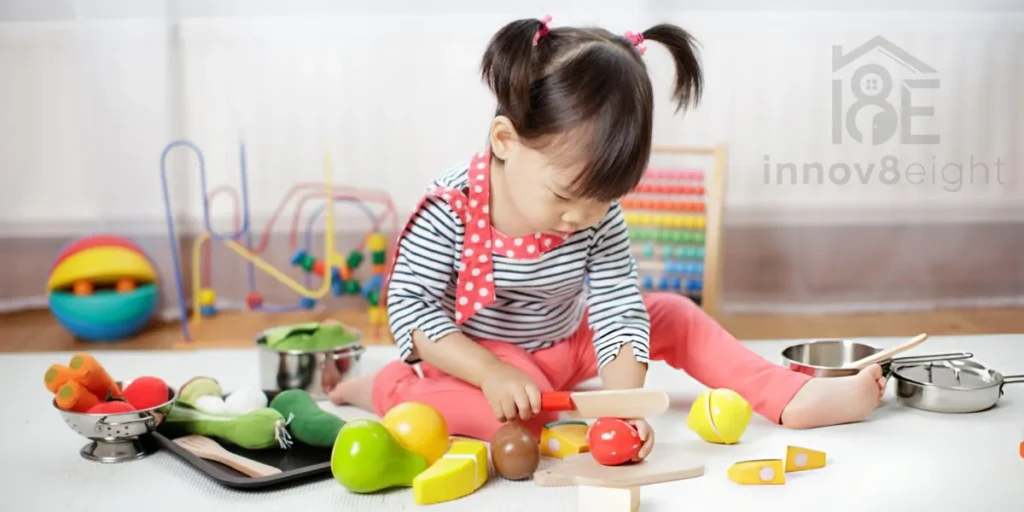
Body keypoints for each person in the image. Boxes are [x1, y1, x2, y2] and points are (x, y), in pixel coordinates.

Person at [329, 16, 885, 462]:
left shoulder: (595, 214)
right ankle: (384, 387)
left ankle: (789, 396)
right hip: (480, 356)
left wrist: (621, 407)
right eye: (567, 196)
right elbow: (413, 306)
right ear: (504, 141)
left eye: (602, 200)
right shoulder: (450, 209)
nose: (581, 219)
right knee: (517, 409)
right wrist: (490, 372)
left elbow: (618, 307)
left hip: (567, 343)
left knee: (672, 313)